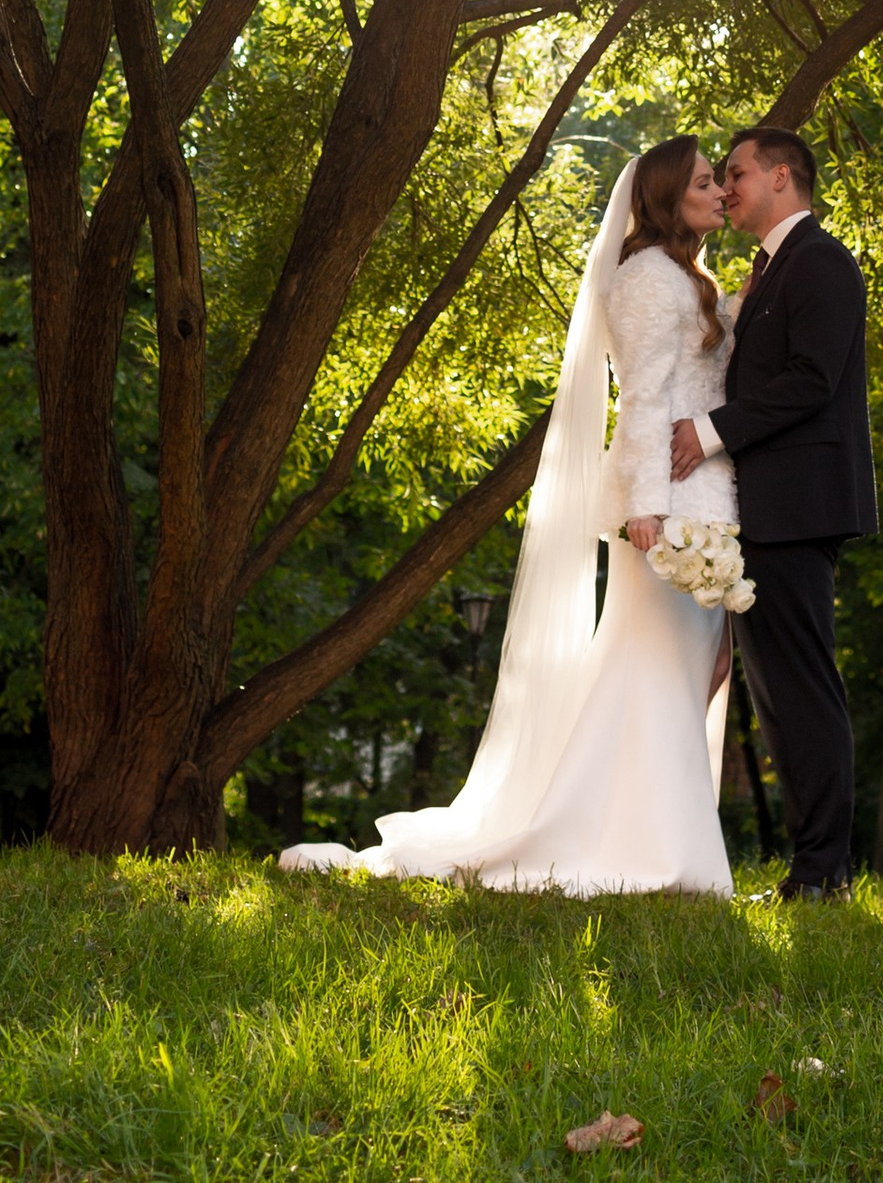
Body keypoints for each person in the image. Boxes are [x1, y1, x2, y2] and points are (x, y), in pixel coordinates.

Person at [277, 139, 740, 892]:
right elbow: (646, 398)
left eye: (718, 178)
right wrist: (650, 509)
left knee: (687, 670)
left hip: (703, 501)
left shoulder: (688, 276)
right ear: (663, 198)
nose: (718, 189)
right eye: (702, 180)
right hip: (667, 507)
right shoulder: (649, 279)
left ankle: (655, 835)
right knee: (658, 669)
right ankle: (651, 848)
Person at [668, 124, 877, 899]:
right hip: (765, 514)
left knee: (804, 693)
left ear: (784, 177)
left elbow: (810, 379)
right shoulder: (772, 270)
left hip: (800, 508)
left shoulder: (822, 262)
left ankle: (826, 872)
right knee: (780, 702)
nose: (727, 187)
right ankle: (811, 870)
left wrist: (708, 432)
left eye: (739, 172)